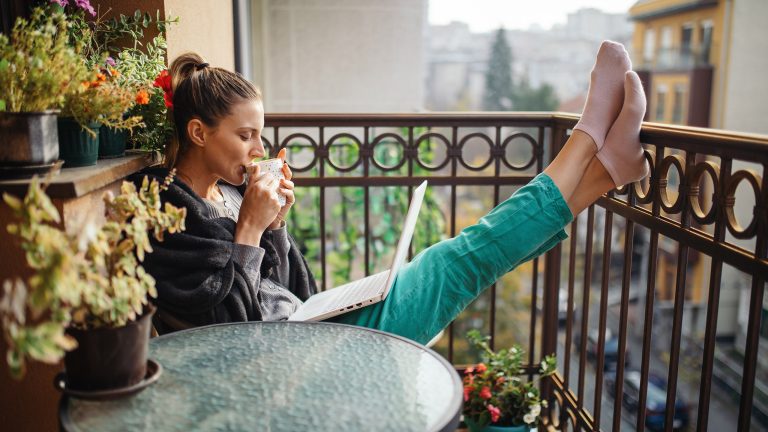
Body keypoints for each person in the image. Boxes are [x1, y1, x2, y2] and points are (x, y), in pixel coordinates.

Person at [135, 41, 648, 345]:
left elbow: (294, 288)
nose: (258, 149)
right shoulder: (168, 212)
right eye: (245, 136)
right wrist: (251, 227)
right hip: (300, 356)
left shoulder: (227, 193)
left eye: (260, 134)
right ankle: (585, 140)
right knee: (459, 260)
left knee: (465, 261)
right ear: (200, 134)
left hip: (313, 327)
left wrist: (275, 227)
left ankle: (604, 171)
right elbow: (231, 331)